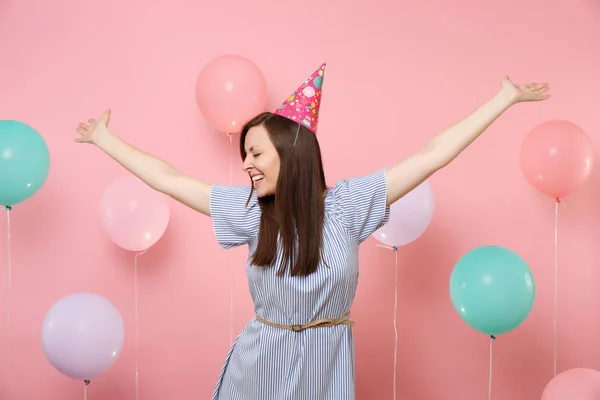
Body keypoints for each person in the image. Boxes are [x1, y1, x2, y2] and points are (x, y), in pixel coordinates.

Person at [75, 63, 550, 399]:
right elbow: (170, 178)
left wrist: (504, 99)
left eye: (256, 153)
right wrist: (104, 138)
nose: (247, 164)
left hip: (326, 367)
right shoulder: (249, 211)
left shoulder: (349, 205)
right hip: (258, 366)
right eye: (245, 154)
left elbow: (431, 154)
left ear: (291, 152)